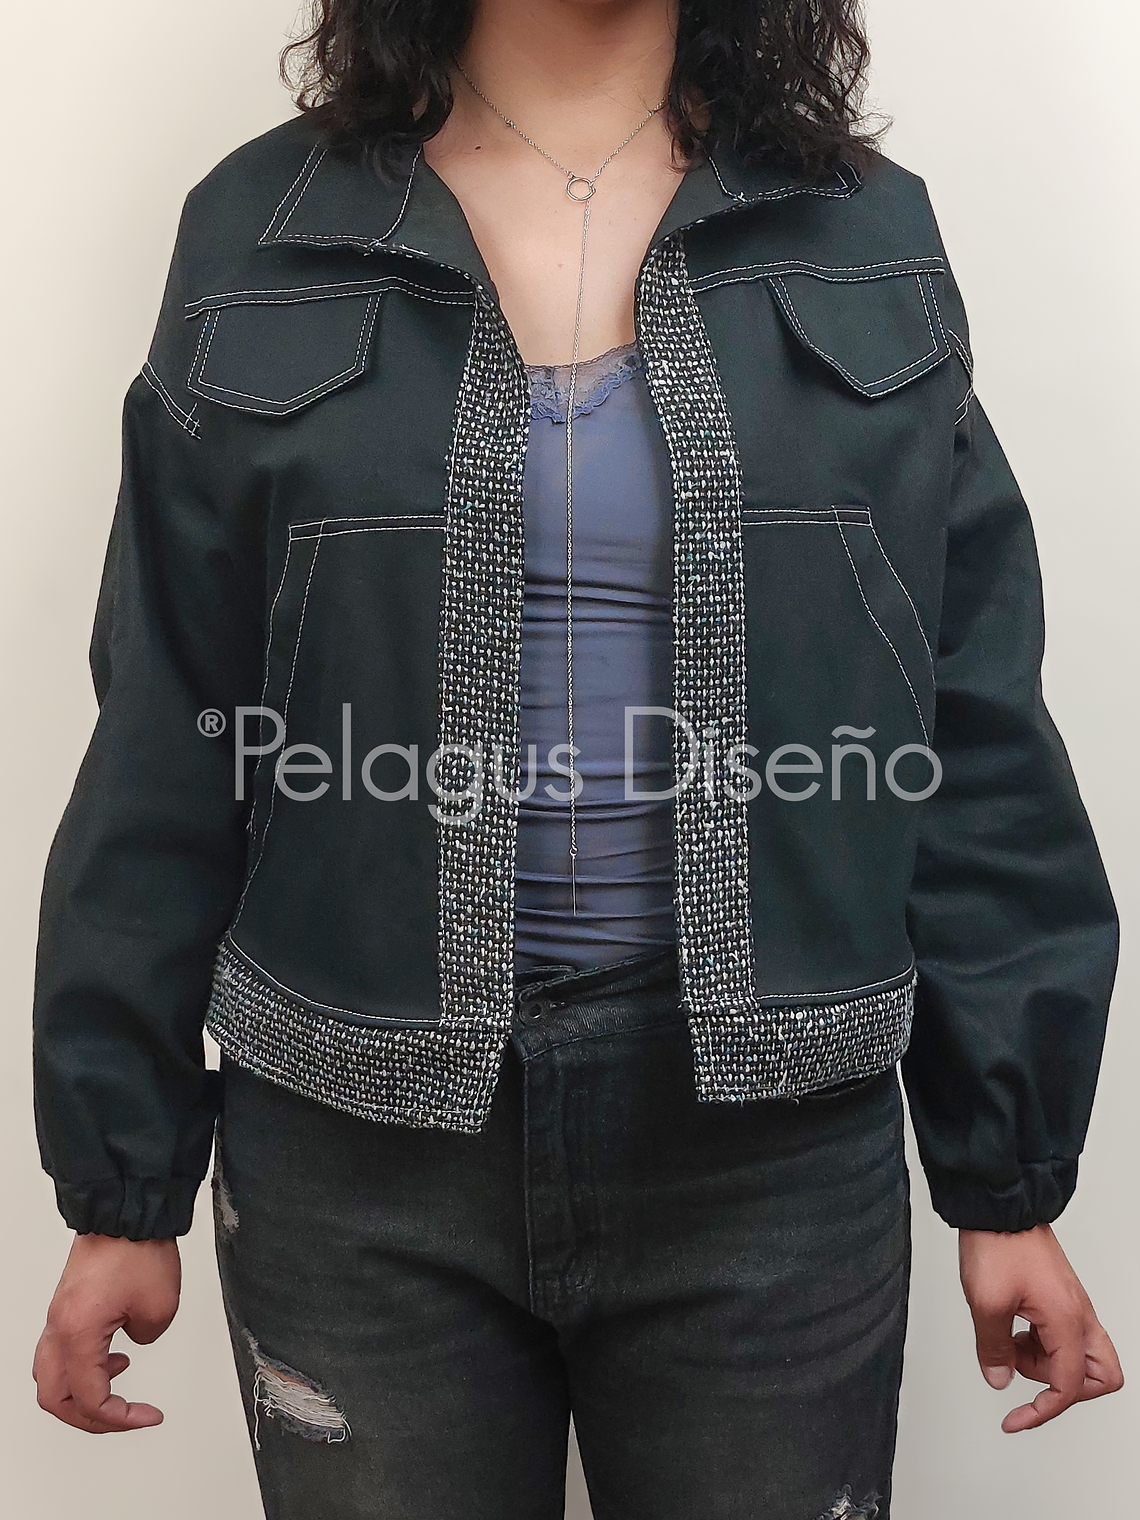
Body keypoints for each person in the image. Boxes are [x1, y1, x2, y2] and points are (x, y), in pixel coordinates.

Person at [31, 0, 1123, 1515]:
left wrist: (1007, 1178)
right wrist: (122, 1183)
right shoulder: (261, 226)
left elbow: (969, 718)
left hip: (770, 1161)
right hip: (356, 1160)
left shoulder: (862, 230)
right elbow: (168, 722)